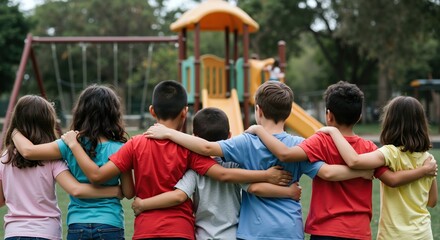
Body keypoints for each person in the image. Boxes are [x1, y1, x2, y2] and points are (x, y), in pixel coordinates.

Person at [144, 81, 378, 240]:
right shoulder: (300, 145)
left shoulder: (245, 142)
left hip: (253, 231)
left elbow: (206, 147)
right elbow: (326, 173)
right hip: (289, 229)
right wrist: (362, 172)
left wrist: (170, 133)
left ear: (258, 111)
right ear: (288, 114)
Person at [60, 80, 293, 240]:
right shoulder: (188, 148)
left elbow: (98, 175)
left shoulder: (134, 144)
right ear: (185, 112)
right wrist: (267, 175)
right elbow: (223, 174)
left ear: (152, 111)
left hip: (145, 231)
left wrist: (72, 143)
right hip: (180, 230)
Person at [245, 81, 438, 240]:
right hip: (359, 232)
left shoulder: (321, 140)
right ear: (360, 116)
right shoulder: (370, 148)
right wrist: (423, 171)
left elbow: (285, 154)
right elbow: (393, 179)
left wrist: (259, 129)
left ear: (328, 115)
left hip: (325, 231)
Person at [131, 107, 302, 239]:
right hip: (233, 235)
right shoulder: (236, 167)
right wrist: (287, 191)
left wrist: (143, 204)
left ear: (194, 137)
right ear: (229, 136)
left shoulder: (195, 171)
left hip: (202, 236)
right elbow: (255, 188)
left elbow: (178, 196)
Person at [12, 85, 135, 240]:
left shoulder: (67, 145)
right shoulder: (121, 149)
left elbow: (28, 152)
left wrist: (14, 131)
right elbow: (129, 192)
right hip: (110, 223)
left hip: (78, 224)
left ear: (80, 112)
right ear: (114, 114)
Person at [319, 95, 438, 240]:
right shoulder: (428, 159)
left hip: (395, 235)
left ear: (390, 122)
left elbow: (354, 161)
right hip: (424, 233)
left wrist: (333, 131)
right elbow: (432, 201)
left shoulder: (389, 153)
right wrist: (424, 171)